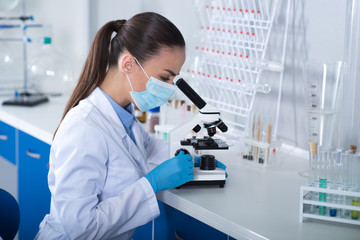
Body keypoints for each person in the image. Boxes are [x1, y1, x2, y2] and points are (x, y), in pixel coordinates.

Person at [35, 12, 226, 240]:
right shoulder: (83, 128)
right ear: (128, 64)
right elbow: (81, 230)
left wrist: (187, 158)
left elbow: (149, 148)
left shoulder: (123, 115)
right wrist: (151, 183)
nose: (169, 87)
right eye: (165, 78)